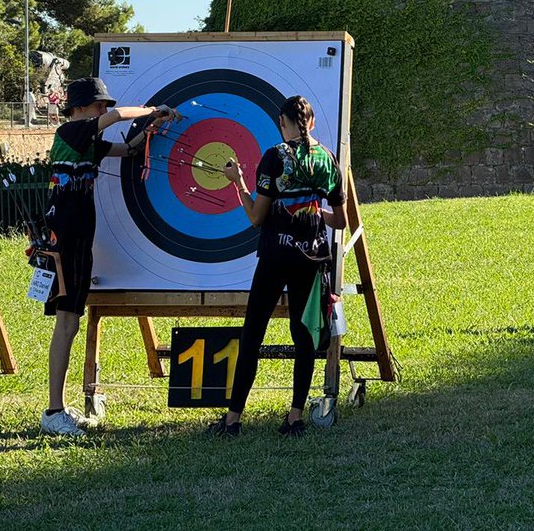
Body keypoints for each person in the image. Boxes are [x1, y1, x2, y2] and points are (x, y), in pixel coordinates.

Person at [39, 77, 176, 436]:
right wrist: (150, 109)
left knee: (70, 321)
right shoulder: (71, 132)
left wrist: (152, 127)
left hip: (78, 239)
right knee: (66, 322)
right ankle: (54, 410)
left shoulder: (88, 143)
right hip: (65, 239)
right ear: (81, 108)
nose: (103, 110)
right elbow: (116, 117)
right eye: (98, 105)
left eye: (103, 105)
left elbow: (128, 151)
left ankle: (57, 408)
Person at [207, 95, 346, 439]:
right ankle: (295, 417)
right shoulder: (328, 159)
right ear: (311, 123)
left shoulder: (274, 157)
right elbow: (341, 220)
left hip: (275, 256)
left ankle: (233, 420)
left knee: (253, 334)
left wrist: (237, 182)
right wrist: (312, 212)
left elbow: (257, 217)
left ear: (283, 124)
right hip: (312, 259)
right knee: (303, 338)